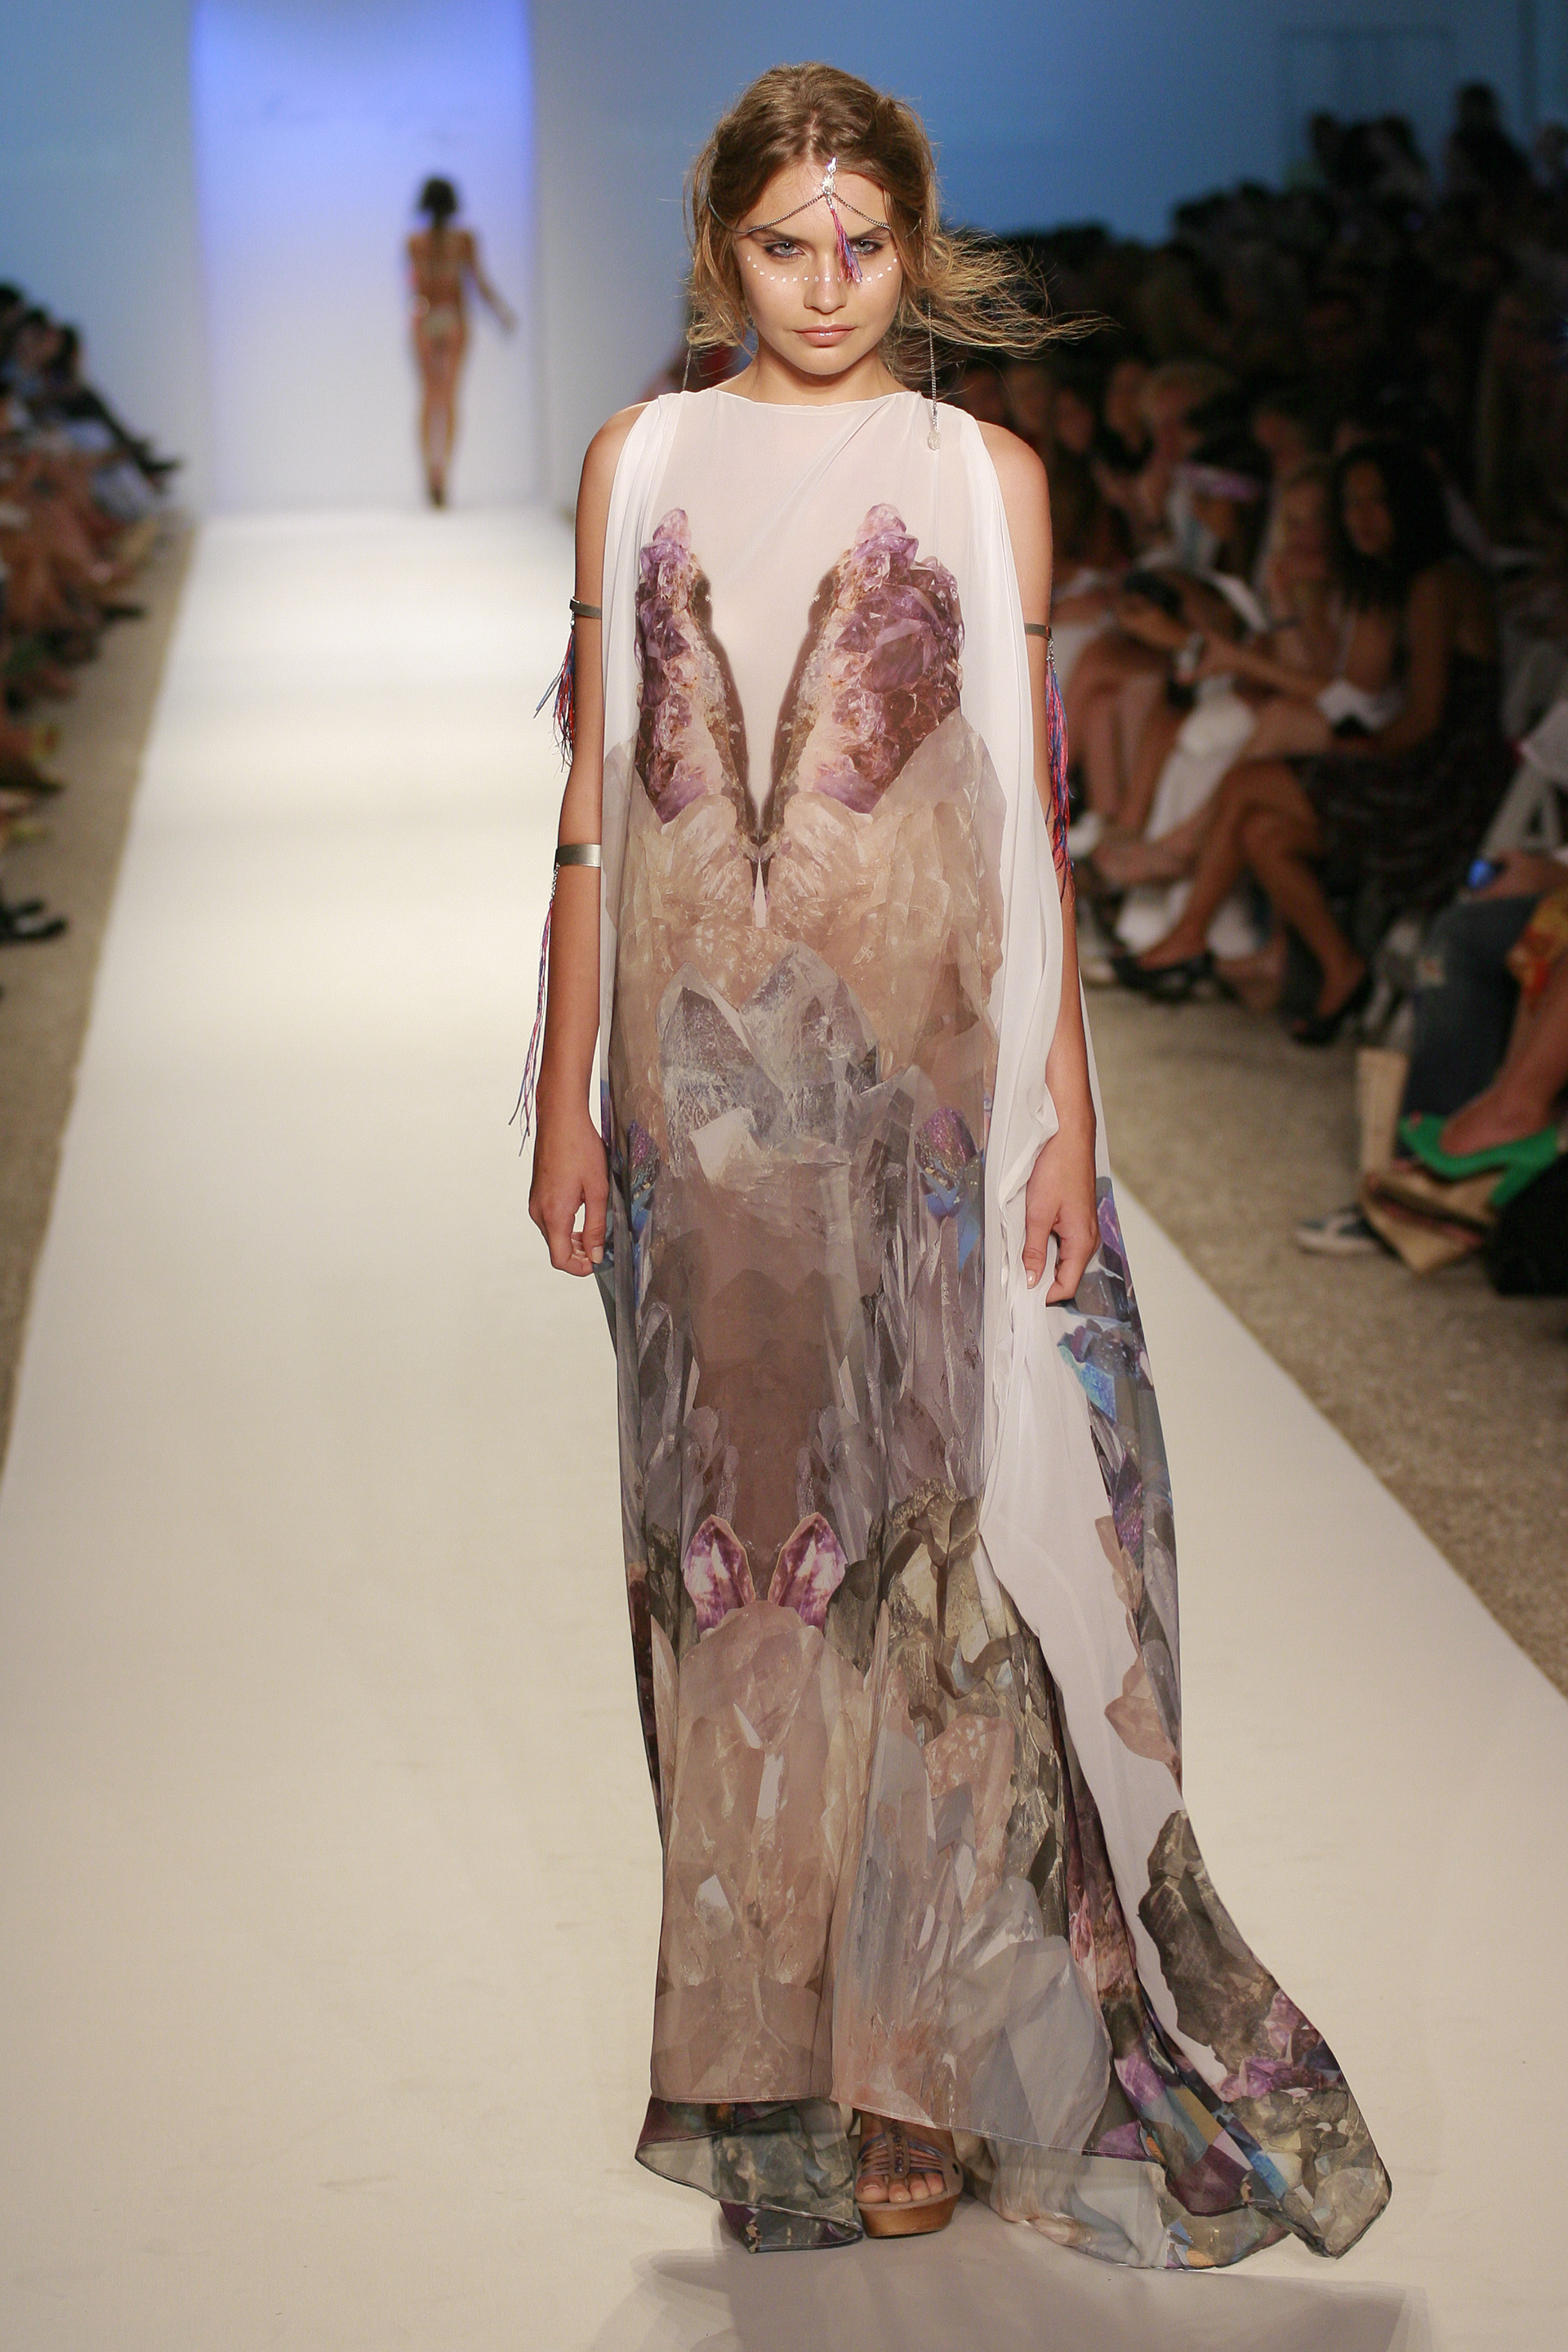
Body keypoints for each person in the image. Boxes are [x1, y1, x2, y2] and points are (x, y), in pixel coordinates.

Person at [524, 61, 1388, 2264]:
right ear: (721, 248)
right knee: (740, 1588)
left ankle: (911, 2060)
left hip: (926, 1106)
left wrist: (1071, 1116)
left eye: (864, 241)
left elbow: (1025, 819)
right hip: (696, 1128)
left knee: (939, 1574)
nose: (826, 283)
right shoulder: (639, 460)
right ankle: (776, 2059)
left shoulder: (986, 476)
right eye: (783, 243)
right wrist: (559, 1093)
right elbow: (596, 795)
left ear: (914, 245)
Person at [1123, 439, 1510, 1036]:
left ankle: (1189, 931)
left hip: (1442, 788)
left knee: (1250, 781)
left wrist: (1353, 752)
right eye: (1351, 504)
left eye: (1378, 502)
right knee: (1262, 832)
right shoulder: (1393, 581)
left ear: (1411, 505)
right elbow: (1346, 686)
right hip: (1416, 766)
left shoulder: (1437, 583)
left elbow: (1425, 719)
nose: (1362, 519)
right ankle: (1339, 969)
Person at [405, 176, 515, 506]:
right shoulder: (464, 240)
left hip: (426, 317)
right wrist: (501, 313)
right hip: (453, 318)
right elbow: (478, 284)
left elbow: (416, 286)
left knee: (430, 396)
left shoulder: (415, 242)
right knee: (449, 396)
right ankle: (444, 473)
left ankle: (432, 471)